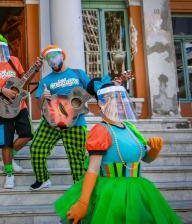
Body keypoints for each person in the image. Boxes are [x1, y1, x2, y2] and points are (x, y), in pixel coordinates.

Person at [54, 76, 182, 224]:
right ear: (102, 102)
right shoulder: (101, 130)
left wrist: (154, 150)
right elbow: (93, 168)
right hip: (111, 193)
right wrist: (83, 202)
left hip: (137, 190)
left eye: (121, 97)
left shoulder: (130, 128)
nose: (120, 102)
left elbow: (145, 158)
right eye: (114, 98)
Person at [0, 32, 42, 189]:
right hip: (1, 108)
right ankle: (9, 175)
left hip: (20, 106)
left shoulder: (14, 61)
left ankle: (8, 158)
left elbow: (23, 81)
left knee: (27, 135)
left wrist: (35, 70)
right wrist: (2, 90)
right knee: (5, 142)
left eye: (2, 48)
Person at [30, 45, 90, 191]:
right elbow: (39, 106)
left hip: (76, 122)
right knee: (36, 148)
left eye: (55, 56)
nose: (52, 61)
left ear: (62, 55)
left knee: (77, 158)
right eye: (48, 59)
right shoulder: (45, 80)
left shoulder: (78, 74)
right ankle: (42, 179)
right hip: (52, 121)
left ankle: (80, 188)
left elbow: (92, 91)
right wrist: (43, 98)